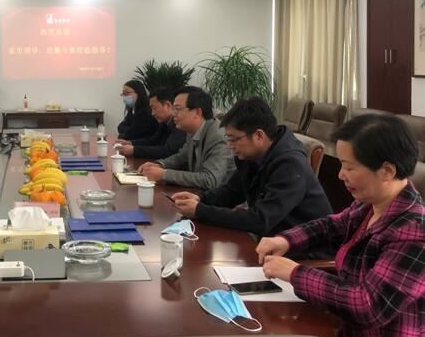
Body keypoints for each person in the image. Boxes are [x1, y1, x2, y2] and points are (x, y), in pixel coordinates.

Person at [258, 113, 425, 337]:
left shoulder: (414, 232)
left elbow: (368, 305)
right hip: (343, 334)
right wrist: (285, 240)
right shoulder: (369, 204)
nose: (340, 175)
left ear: (387, 170)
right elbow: (330, 226)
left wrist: (295, 273)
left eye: (349, 167)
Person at [171, 96, 332, 237]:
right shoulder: (250, 154)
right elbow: (232, 192)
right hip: (272, 241)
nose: (229, 145)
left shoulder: (290, 164)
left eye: (233, 139)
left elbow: (261, 220)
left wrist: (200, 211)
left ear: (259, 136)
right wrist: (200, 199)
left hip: (306, 251)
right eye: (227, 138)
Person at [138, 87, 233, 189]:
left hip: (221, 198)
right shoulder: (193, 130)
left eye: (177, 109)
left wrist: (164, 174)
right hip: (198, 194)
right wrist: (160, 165)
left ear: (197, 112)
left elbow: (209, 179)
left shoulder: (218, 136)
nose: (173, 113)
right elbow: (181, 157)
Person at [117, 88, 186, 159]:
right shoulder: (164, 123)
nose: (152, 113)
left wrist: (134, 150)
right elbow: (153, 141)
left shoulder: (180, 125)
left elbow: (167, 151)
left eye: (154, 108)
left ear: (167, 105)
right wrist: (130, 143)